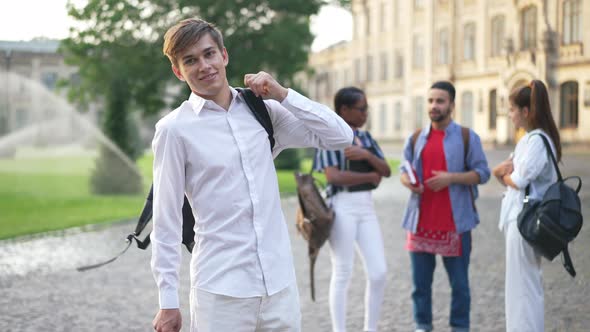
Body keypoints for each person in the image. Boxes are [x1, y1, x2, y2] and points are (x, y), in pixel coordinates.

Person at [151, 18, 353, 332]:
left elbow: (341, 136)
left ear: (224, 55)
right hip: (220, 292)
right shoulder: (174, 130)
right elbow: (166, 221)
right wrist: (167, 302)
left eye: (209, 54)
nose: (204, 66)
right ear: (178, 71)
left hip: (279, 286)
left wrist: (284, 94)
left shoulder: (263, 111)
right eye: (190, 60)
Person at [399, 81, 490, 332]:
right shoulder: (416, 137)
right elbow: (403, 170)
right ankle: (422, 325)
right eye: (430, 101)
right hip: (420, 224)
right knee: (420, 286)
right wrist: (409, 183)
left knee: (459, 285)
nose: (434, 106)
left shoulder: (466, 137)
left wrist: (451, 178)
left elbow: (483, 173)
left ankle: (460, 327)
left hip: (455, 224)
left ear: (451, 104)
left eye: (440, 101)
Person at [313, 87, 391, 332]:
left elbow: (386, 171)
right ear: (344, 110)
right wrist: (370, 174)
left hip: (366, 207)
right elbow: (334, 177)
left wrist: (365, 154)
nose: (366, 113)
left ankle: (371, 328)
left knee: (379, 272)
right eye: (362, 108)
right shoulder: (329, 137)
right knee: (343, 270)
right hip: (342, 207)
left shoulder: (366, 139)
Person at [492, 80, 561, 332]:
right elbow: (505, 170)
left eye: (512, 109)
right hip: (522, 219)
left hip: (525, 220)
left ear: (525, 111)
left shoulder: (535, 141)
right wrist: (501, 173)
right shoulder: (531, 140)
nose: (509, 115)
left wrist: (501, 176)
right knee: (522, 287)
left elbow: (516, 178)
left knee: (524, 289)